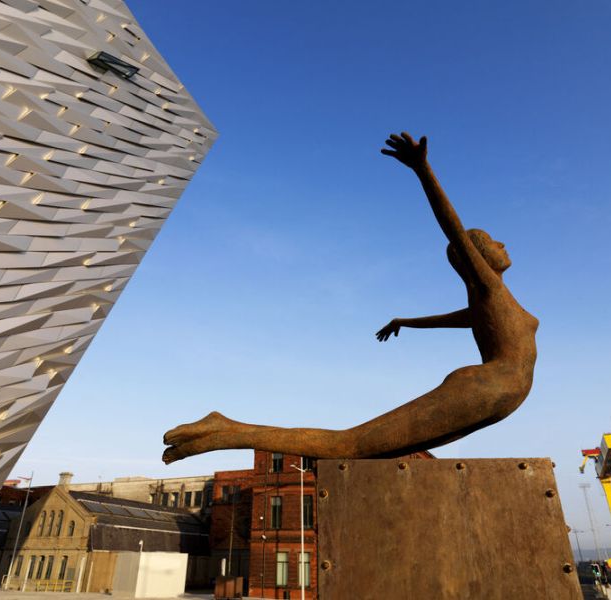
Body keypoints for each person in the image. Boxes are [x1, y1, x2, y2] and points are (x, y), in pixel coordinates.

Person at [162, 132, 538, 464]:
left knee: (377, 453)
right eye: (491, 242)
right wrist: (424, 171)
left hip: (500, 399)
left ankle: (225, 429)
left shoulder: (489, 304)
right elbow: (453, 228)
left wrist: (405, 321)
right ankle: (226, 429)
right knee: (352, 444)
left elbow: (453, 320)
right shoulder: (488, 288)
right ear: (477, 258)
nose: (502, 244)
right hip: (487, 389)